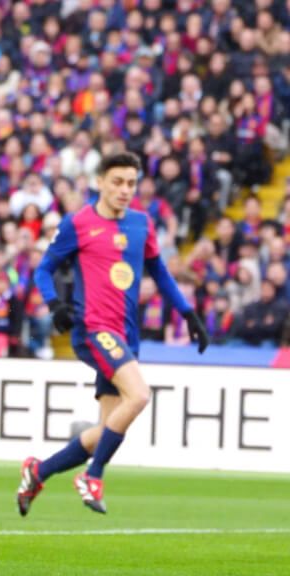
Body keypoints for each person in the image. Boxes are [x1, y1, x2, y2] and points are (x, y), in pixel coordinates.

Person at [16, 152, 209, 516]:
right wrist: (55, 304)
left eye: (131, 183)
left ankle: (37, 472)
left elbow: (161, 274)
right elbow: (44, 270)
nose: (125, 190)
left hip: (126, 335)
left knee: (104, 430)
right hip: (93, 329)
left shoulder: (141, 224)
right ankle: (93, 476)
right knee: (138, 396)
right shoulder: (79, 222)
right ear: (100, 182)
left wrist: (188, 313)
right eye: (117, 182)